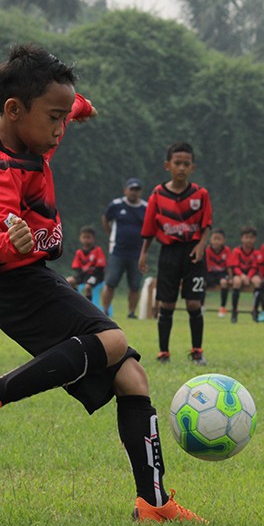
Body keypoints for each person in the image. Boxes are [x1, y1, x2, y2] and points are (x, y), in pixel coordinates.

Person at [0, 44, 203, 523]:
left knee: (132, 377)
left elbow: (64, 106)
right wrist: (12, 243)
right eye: (55, 118)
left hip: (34, 276)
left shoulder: (34, 133)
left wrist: (78, 107)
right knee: (113, 339)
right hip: (15, 285)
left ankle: (155, 504)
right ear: (14, 110)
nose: (61, 129)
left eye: (66, 117)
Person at [138, 142, 213, 366]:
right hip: (169, 253)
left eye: (186, 164)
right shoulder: (158, 194)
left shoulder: (200, 194)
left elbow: (206, 225)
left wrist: (200, 247)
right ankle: (164, 353)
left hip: (193, 255)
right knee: (167, 305)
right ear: (167, 165)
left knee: (193, 304)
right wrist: (144, 254)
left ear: (193, 168)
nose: (181, 168)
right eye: (177, 163)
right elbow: (149, 228)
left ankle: (197, 351)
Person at [100, 178, 147, 318]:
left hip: (137, 253)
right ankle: (105, 311)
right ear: (125, 190)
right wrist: (111, 234)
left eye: (137, 190)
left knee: (135, 285)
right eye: (131, 189)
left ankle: (131, 312)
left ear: (140, 192)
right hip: (118, 251)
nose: (134, 192)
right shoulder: (116, 205)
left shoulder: (146, 207)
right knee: (111, 282)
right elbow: (105, 218)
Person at [227, 225, 262, 324]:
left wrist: (248, 277)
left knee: (258, 282)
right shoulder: (237, 251)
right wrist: (242, 276)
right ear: (242, 238)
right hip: (239, 273)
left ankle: (255, 310)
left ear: (255, 239)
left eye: (251, 238)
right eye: (246, 237)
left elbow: (255, 267)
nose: (249, 240)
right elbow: (235, 266)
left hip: (251, 274)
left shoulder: (256, 252)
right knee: (237, 282)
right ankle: (234, 311)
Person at [66, 225, 105, 300]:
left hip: (95, 276)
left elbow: (100, 267)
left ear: (93, 239)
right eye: (84, 237)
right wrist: (81, 275)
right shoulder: (79, 252)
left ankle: (88, 307)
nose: (86, 240)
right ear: (80, 238)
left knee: (87, 287)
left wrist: (89, 275)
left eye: (88, 237)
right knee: (69, 281)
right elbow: (76, 267)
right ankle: (77, 300)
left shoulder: (97, 250)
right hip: (83, 275)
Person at [204, 228, 232, 317]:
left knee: (224, 282)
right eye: (214, 239)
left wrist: (231, 278)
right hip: (210, 273)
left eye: (219, 239)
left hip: (222, 273)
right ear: (210, 240)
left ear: (223, 241)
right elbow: (206, 265)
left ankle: (222, 307)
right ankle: (201, 306)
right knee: (202, 283)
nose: (216, 241)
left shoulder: (227, 250)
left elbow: (229, 265)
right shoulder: (207, 250)